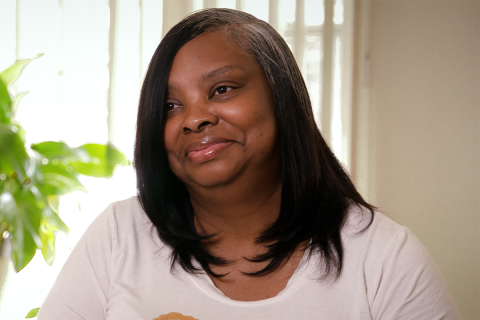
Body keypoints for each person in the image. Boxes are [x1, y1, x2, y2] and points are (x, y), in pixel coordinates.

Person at [38, 8, 460, 320]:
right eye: (170, 105)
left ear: (282, 99)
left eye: (222, 89)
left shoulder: (384, 257)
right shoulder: (117, 235)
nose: (194, 117)